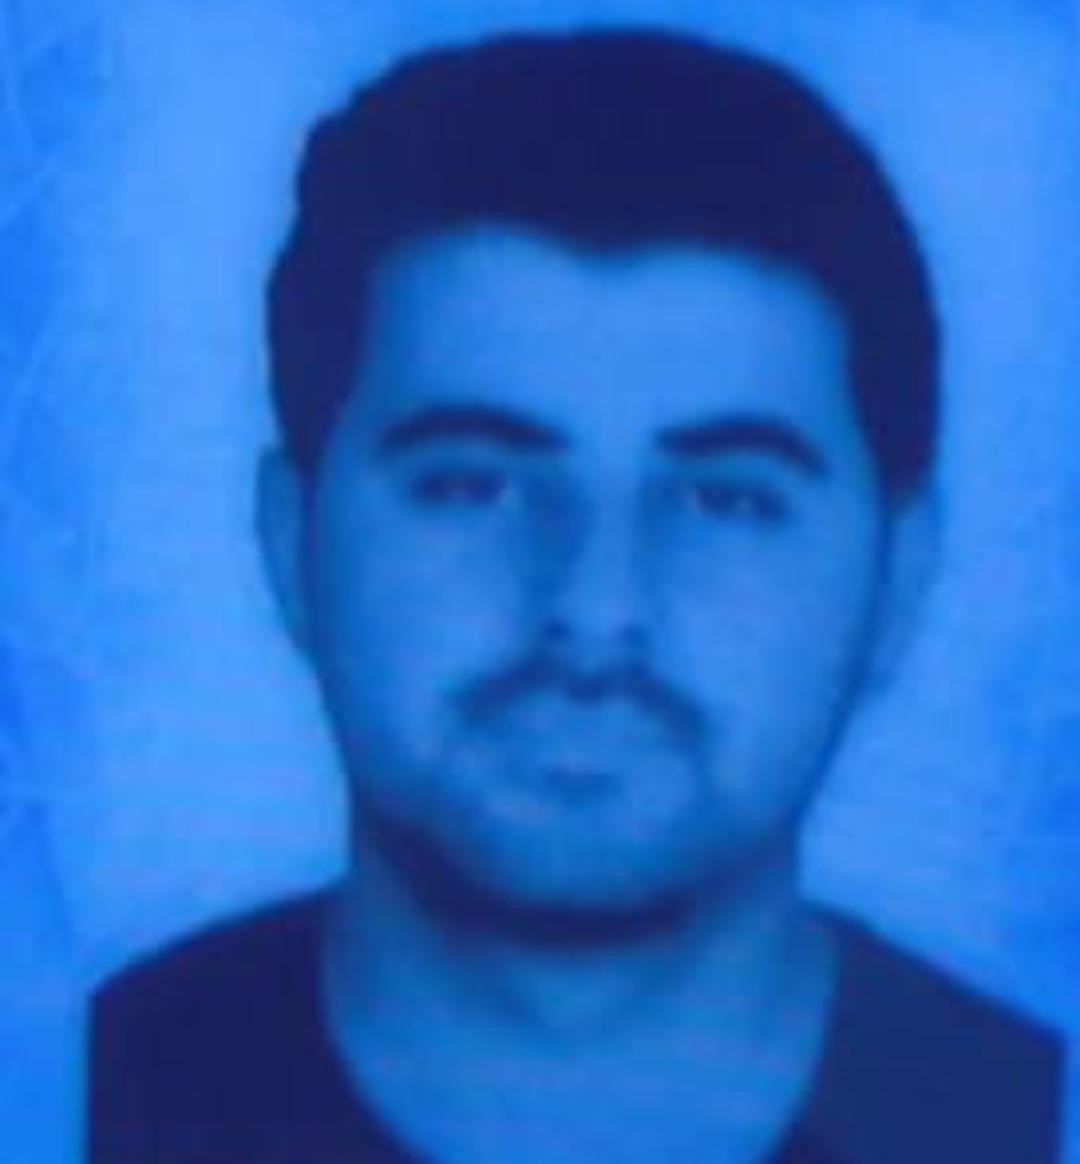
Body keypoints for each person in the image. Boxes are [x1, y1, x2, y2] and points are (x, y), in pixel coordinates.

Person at [90, 29, 1063, 1164]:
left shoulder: (1037, 1120)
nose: (595, 615)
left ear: (897, 580)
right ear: (293, 540)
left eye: (726, 500)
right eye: (472, 485)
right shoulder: (60, 1089)